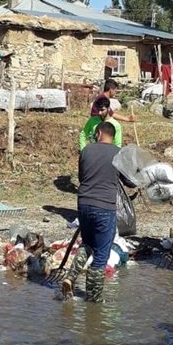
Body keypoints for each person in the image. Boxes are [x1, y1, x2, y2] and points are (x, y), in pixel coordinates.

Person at [62, 122, 120, 303]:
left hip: (84, 204)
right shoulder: (119, 154)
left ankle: (70, 278)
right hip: (105, 206)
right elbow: (128, 180)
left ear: (100, 133)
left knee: (87, 243)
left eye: (96, 134)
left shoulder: (86, 151)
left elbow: (81, 177)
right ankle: (93, 301)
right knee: (101, 254)